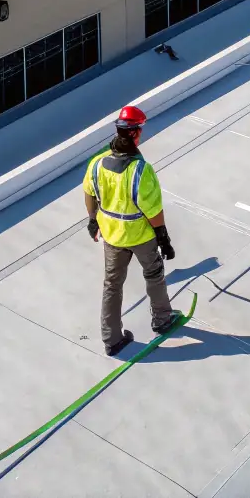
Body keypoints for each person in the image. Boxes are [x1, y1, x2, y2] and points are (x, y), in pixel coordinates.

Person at [84, 104, 184, 356]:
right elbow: (153, 211)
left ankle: (112, 338)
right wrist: (163, 237)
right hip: (140, 235)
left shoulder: (97, 164)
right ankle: (162, 319)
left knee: (112, 285)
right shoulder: (141, 170)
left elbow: (89, 192)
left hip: (113, 236)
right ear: (136, 133)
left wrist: (93, 220)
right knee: (154, 274)